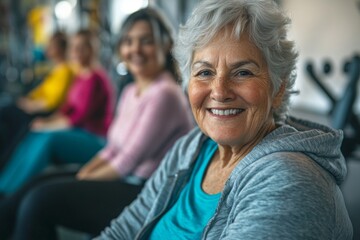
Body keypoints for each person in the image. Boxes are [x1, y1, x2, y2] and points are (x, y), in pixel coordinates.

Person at [95, 0, 353, 239]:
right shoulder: (192, 147)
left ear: (278, 89)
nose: (219, 91)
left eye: (242, 72)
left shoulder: (289, 182)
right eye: (205, 72)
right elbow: (126, 228)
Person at [0, 8, 194, 240]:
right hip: (126, 179)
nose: (135, 49)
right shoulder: (132, 90)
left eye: (147, 41)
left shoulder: (165, 93)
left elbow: (128, 161)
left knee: (40, 201)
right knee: (35, 185)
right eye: (128, 41)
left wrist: (80, 180)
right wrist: (82, 174)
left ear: (165, 45)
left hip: (147, 193)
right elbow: (112, 149)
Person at [0, 29, 114, 195]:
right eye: (75, 47)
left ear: (92, 49)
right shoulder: (80, 77)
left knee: (49, 138)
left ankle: (11, 191)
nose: (77, 52)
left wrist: (48, 126)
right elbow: (66, 110)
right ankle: (5, 183)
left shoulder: (96, 78)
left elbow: (77, 119)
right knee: (33, 132)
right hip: (77, 131)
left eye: (83, 47)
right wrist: (45, 123)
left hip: (94, 138)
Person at [0, 31, 74, 167]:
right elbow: (38, 93)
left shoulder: (65, 71)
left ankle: (7, 161)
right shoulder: (54, 70)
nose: (47, 48)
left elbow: (52, 102)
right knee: (5, 111)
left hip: (44, 112)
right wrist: (26, 101)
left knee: (8, 116)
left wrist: (30, 106)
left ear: (59, 48)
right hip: (33, 107)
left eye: (51, 46)